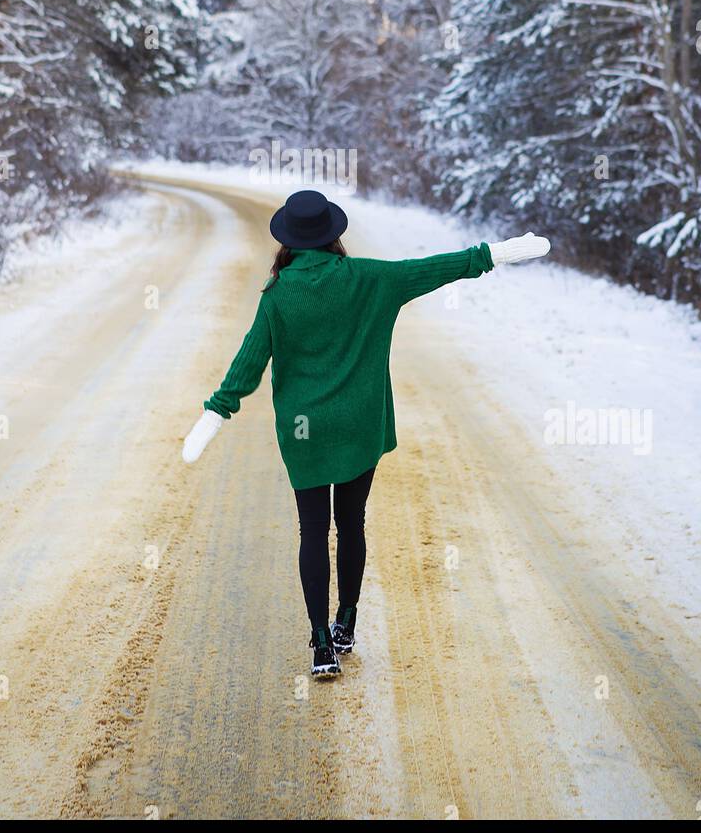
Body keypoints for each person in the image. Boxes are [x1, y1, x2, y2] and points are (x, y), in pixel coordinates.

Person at [182, 190, 550, 678]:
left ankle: (319, 644)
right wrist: (494, 254)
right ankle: (346, 622)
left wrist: (216, 412)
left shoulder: (276, 298)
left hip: (304, 431)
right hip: (359, 426)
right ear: (334, 235)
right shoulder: (370, 279)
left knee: (312, 530)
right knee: (350, 521)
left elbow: (248, 364)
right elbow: (433, 268)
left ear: (287, 242)